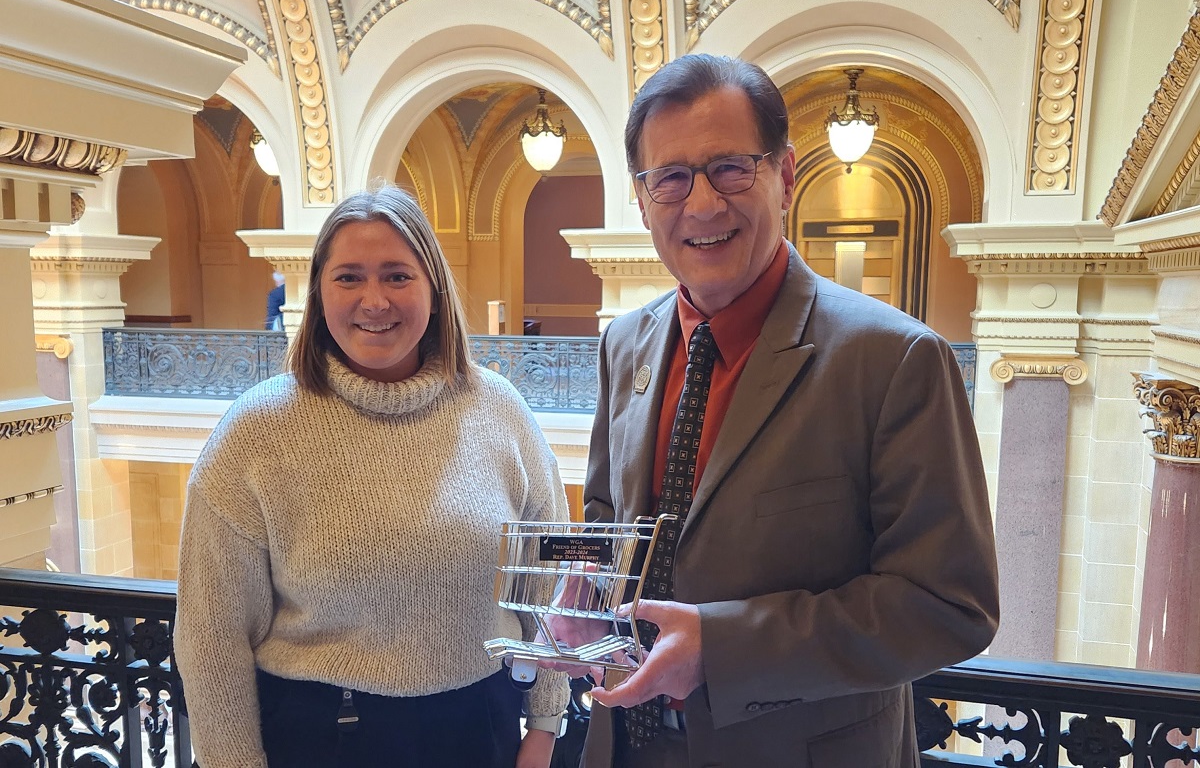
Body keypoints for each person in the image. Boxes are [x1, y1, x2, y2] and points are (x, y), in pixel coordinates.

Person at [572, 54, 1000, 768]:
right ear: (642, 201)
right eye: (671, 178)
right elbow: (605, 515)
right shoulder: (625, 343)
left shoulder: (894, 361)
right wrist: (577, 582)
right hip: (626, 748)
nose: (702, 204)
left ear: (787, 176)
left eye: (731, 168)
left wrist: (723, 647)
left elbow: (948, 605)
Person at [175, 184, 570, 768]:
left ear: (434, 290)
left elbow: (546, 580)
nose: (374, 300)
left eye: (397, 275)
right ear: (318, 294)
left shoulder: (499, 410)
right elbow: (213, 637)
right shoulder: (254, 433)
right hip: (323, 736)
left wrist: (544, 725)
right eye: (349, 277)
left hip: (479, 726)